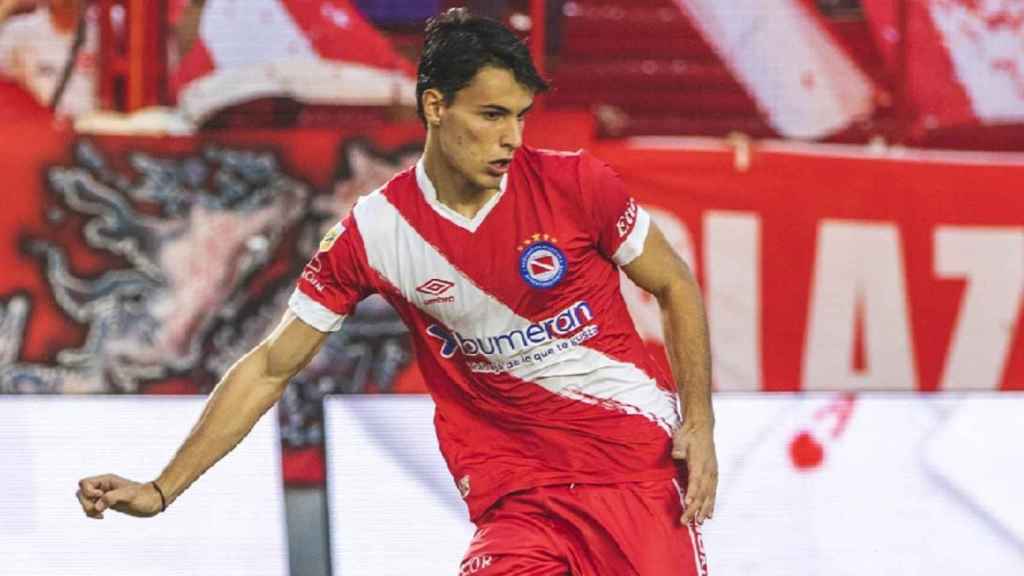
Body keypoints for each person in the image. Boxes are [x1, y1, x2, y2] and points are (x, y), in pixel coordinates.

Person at [76, 8, 718, 575]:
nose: (512, 138)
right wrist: (163, 489)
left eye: (521, 116)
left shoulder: (578, 183)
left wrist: (700, 423)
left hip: (635, 477)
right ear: (435, 106)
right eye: (492, 115)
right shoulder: (377, 232)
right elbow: (270, 366)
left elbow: (675, 285)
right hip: (520, 504)